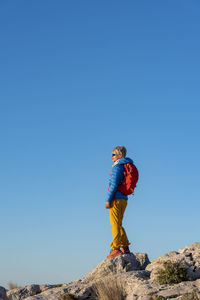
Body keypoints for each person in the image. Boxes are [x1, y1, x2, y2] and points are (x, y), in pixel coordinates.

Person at [105, 146, 134, 259]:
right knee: (119, 223)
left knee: (115, 224)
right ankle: (125, 247)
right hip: (124, 199)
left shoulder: (117, 167)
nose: (111, 156)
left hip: (116, 199)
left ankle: (115, 248)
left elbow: (114, 185)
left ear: (119, 155)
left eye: (113, 154)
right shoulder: (125, 165)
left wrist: (108, 200)